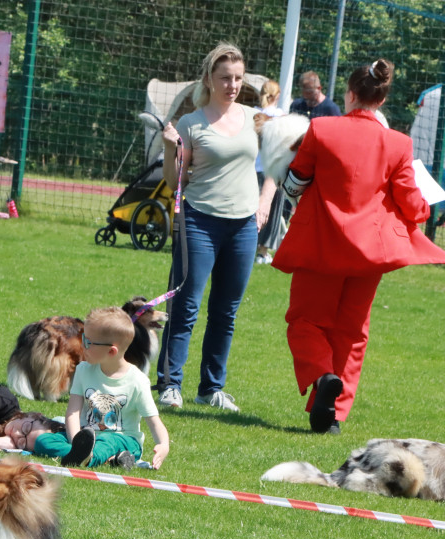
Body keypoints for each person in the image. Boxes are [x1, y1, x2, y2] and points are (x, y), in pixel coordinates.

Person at [273, 59, 445, 434]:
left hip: (320, 247)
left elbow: (297, 181)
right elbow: (412, 204)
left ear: (350, 94)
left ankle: (322, 377)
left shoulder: (321, 128)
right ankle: (333, 414)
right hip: (369, 256)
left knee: (304, 322)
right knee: (353, 333)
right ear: (381, 100)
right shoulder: (399, 143)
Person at [156, 43, 269, 413]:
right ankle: (170, 384)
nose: (232, 84)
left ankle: (210, 388)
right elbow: (175, 182)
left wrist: (264, 203)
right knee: (186, 306)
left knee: (226, 312)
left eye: (238, 78)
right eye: (225, 78)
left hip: (243, 228)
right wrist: (170, 148)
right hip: (199, 222)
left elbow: (276, 166)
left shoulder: (255, 118)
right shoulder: (191, 123)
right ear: (209, 79)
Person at [56, 307, 170, 469]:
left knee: (109, 441)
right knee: (45, 440)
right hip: (87, 436)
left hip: (124, 440)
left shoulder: (138, 381)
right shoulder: (82, 370)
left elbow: (154, 422)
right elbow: (72, 413)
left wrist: (163, 445)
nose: (83, 346)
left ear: (111, 351)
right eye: (83, 338)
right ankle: (108, 459)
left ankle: (89, 457)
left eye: (88, 342)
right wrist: (75, 441)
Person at [255, 78, 286, 265]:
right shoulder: (281, 117)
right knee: (272, 212)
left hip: (252, 169)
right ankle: (263, 251)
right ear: (278, 96)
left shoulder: (254, 114)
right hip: (273, 171)